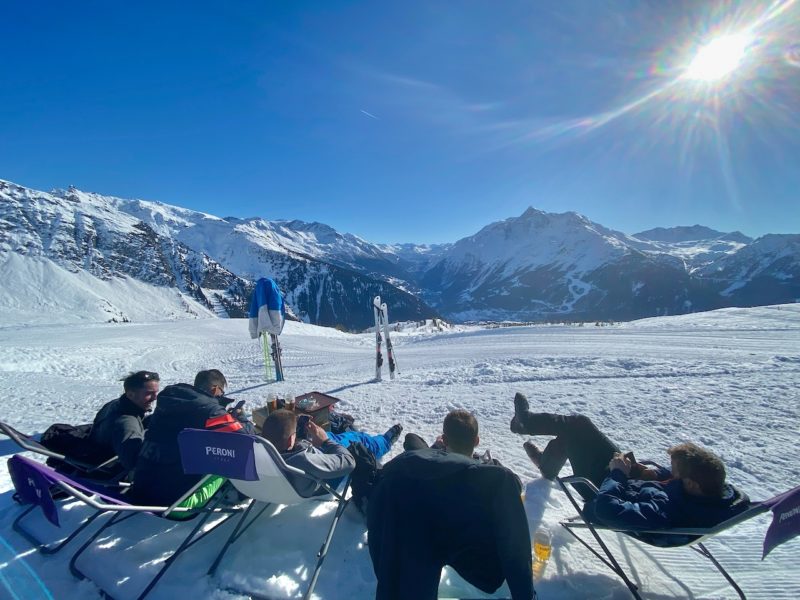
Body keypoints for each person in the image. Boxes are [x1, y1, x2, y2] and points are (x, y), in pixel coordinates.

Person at [510, 392, 750, 533]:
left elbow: (605, 510)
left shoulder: (664, 508)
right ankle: (543, 459)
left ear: (692, 484)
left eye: (675, 472)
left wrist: (618, 474)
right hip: (626, 477)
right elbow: (673, 484)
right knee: (578, 427)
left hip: (600, 486)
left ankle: (529, 429)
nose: (671, 472)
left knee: (575, 430)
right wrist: (655, 476)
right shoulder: (713, 492)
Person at [367, 410, 535, 600]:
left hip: (405, 538)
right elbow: (515, 548)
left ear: (445, 440)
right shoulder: (494, 478)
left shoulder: (410, 462)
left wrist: (436, 449)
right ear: (477, 441)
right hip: (461, 545)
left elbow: (411, 440)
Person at [130, 369, 254, 506]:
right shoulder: (210, 409)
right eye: (221, 393)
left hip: (141, 489)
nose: (221, 397)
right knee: (229, 457)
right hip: (175, 502)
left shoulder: (168, 400)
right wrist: (242, 419)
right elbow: (245, 439)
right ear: (215, 389)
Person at [261, 409, 402, 497]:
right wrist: (325, 442)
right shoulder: (302, 460)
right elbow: (348, 461)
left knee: (331, 435)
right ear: (291, 439)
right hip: (322, 473)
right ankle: (385, 441)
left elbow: (287, 446)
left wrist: (302, 438)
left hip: (295, 470)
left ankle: (345, 432)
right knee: (356, 440)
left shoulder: (260, 453)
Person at [89, 371, 159, 474]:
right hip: (110, 472)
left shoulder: (117, 404)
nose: (155, 398)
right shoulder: (125, 422)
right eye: (149, 393)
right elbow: (133, 462)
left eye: (156, 392)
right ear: (130, 394)